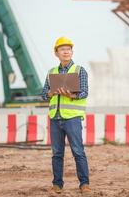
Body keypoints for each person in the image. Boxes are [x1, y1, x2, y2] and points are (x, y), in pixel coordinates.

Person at [41, 37, 91, 194]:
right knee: (57, 153)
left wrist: (71, 95)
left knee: (78, 151)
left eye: (68, 49)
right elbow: (43, 95)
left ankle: (84, 184)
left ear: (72, 52)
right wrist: (51, 92)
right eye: (62, 49)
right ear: (56, 53)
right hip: (55, 118)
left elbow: (84, 92)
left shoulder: (79, 70)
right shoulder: (51, 73)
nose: (66, 51)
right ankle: (57, 184)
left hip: (72, 118)